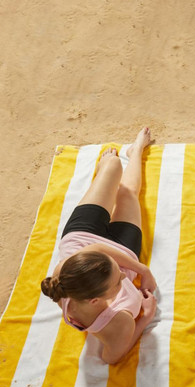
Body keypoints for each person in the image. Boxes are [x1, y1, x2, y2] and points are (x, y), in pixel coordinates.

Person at [41, 127, 157, 365]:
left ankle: (107, 169)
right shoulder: (117, 321)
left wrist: (143, 270)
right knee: (127, 192)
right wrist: (146, 317)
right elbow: (112, 357)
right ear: (96, 300)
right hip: (123, 247)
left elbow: (97, 250)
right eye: (119, 281)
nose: (124, 280)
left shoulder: (64, 275)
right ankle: (136, 152)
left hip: (81, 236)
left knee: (113, 163)